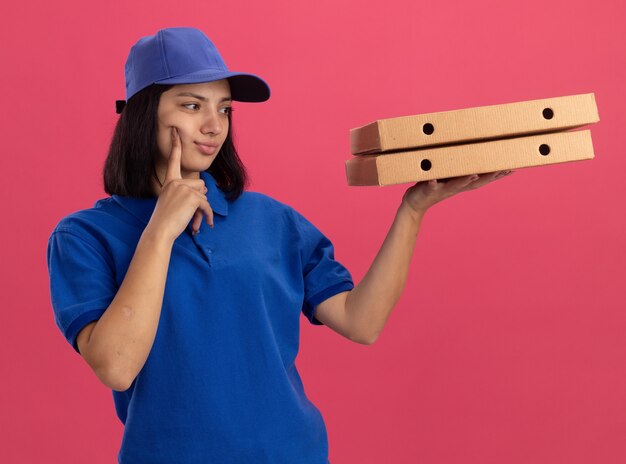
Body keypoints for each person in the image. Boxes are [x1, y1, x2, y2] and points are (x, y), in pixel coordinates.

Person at [46, 27, 512, 464]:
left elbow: (361, 321)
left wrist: (413, 209)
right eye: (192, 106)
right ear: (143, 114)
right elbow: (116, 367)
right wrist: (161, 229)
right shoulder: (84, 237)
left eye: (224, 108)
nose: (214, 125)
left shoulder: (270, 220)